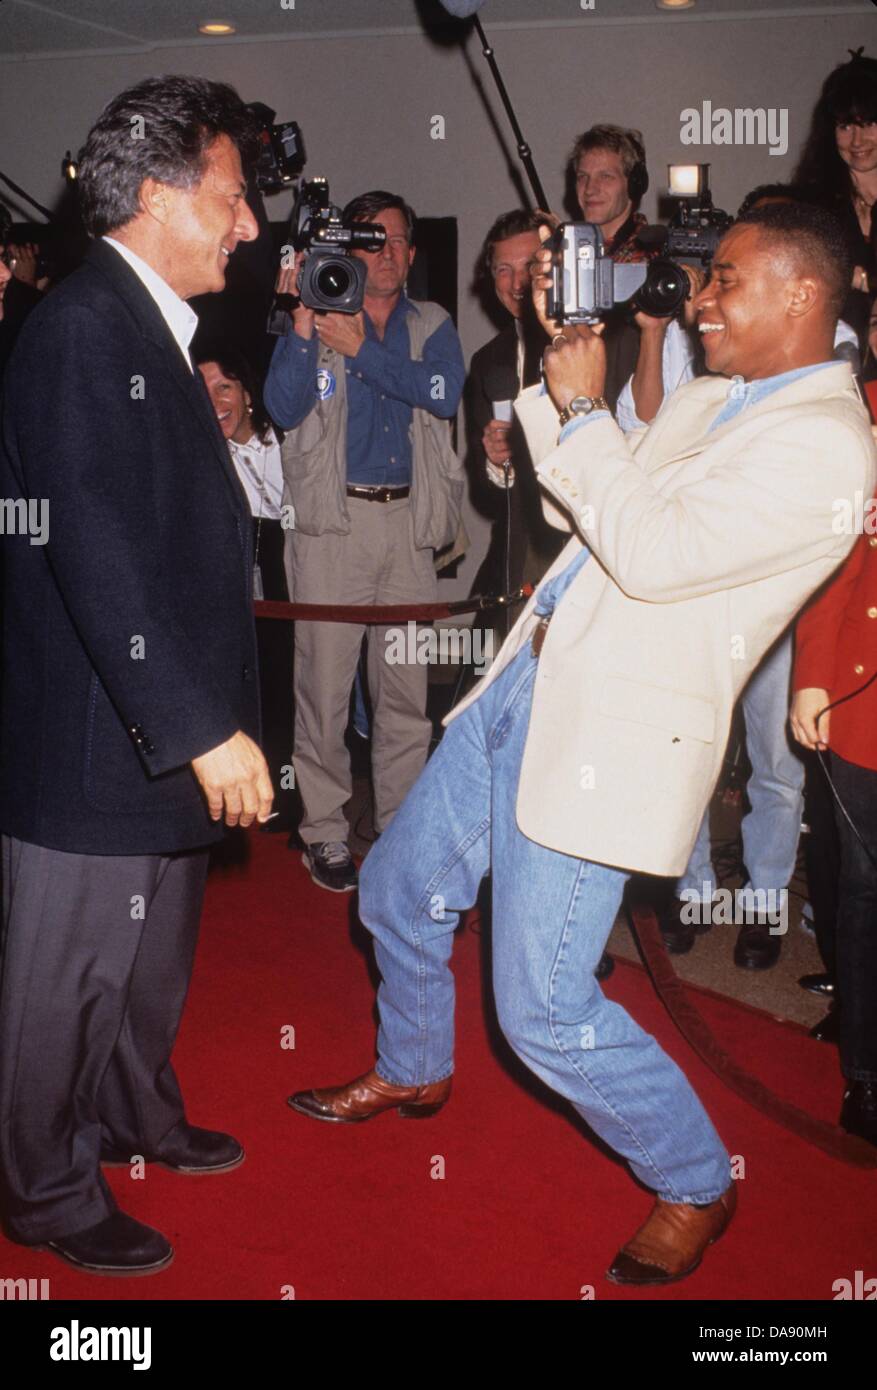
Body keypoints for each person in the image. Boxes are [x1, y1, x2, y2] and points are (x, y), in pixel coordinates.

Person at [287, 202, 874, 1285]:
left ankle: (698, 1178)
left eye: (725, 280)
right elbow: (589, 508)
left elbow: (649, 551)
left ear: (802, 292)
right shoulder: (716, 393)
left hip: (611, 734)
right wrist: (554, 389)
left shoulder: (829, 443)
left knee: (545, 1012)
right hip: (529, 684)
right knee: (396, 891)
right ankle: (414, 1066)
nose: (699, 300)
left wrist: (586, 411)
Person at [0, 75, 273, 1277]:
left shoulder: (144, 326)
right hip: (99, 734)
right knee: (61, 985)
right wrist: (197, 725)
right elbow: (93, 543)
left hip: (155, 729)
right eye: (234, 195)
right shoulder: (82, 330)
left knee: (149, 959)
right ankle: (46, 1190)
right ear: (162, 197)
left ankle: (133, 1114)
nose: (252, 222)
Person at [264, 190, 466, 893]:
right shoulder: (317, 317)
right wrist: (302, 327)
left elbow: (442, 391)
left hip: (408, 529)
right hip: (331, 529)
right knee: (321, 689)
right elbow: (284, 407)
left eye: (401, 240)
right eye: (374, 239)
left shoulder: (432, 322)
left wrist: (364, 355)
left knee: (405, 697)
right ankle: (322, 832)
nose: (389, 252)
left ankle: (399, 828)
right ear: (346, 250)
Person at [791, 524, 877, 1149]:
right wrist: (812, 673)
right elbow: (837, 551)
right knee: (866, 886)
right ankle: (866, 1070)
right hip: (864, 690)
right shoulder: (864, 428)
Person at [198, 349, 296, 833]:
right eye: (204, 390)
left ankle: (292, 794)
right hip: (239, 569)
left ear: (248, 395)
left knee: (292, 683)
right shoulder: (206, 455)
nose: (215, 400)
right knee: (251, 681)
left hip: (292, 564)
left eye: (224, 387)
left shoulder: (285, 440)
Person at [796, 49, 877, 351]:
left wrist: (863, 280)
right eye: (845, 127)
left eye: (868, 124)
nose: (857, 141)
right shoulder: (814, 208)